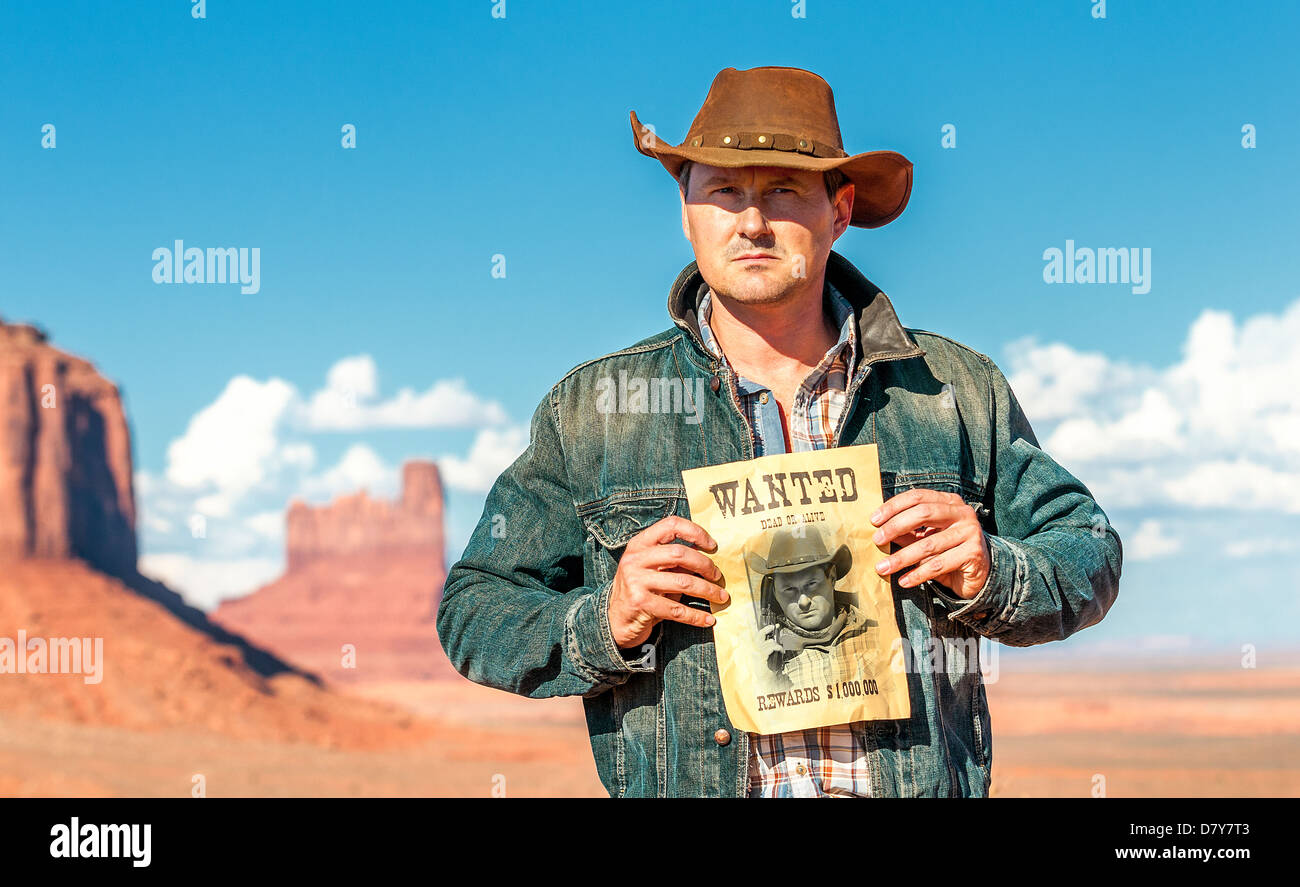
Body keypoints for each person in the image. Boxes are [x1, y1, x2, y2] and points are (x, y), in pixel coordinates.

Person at [437, 66, 1122, 797]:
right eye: (725, 191)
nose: (752, 221)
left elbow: (1090, 552)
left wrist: (993, 570)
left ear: (841, 209)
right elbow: (475, 609)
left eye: (784, 191)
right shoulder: (597, 409)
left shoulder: (953, 389)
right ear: (686, 207)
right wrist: (607, 619)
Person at [747, 526, 874, 691]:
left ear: (832, 577)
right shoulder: (766, 657)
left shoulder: (876, 632)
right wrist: (763, 679)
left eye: (812, 584)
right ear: (774, 592)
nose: (803, 602)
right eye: (789, 589)